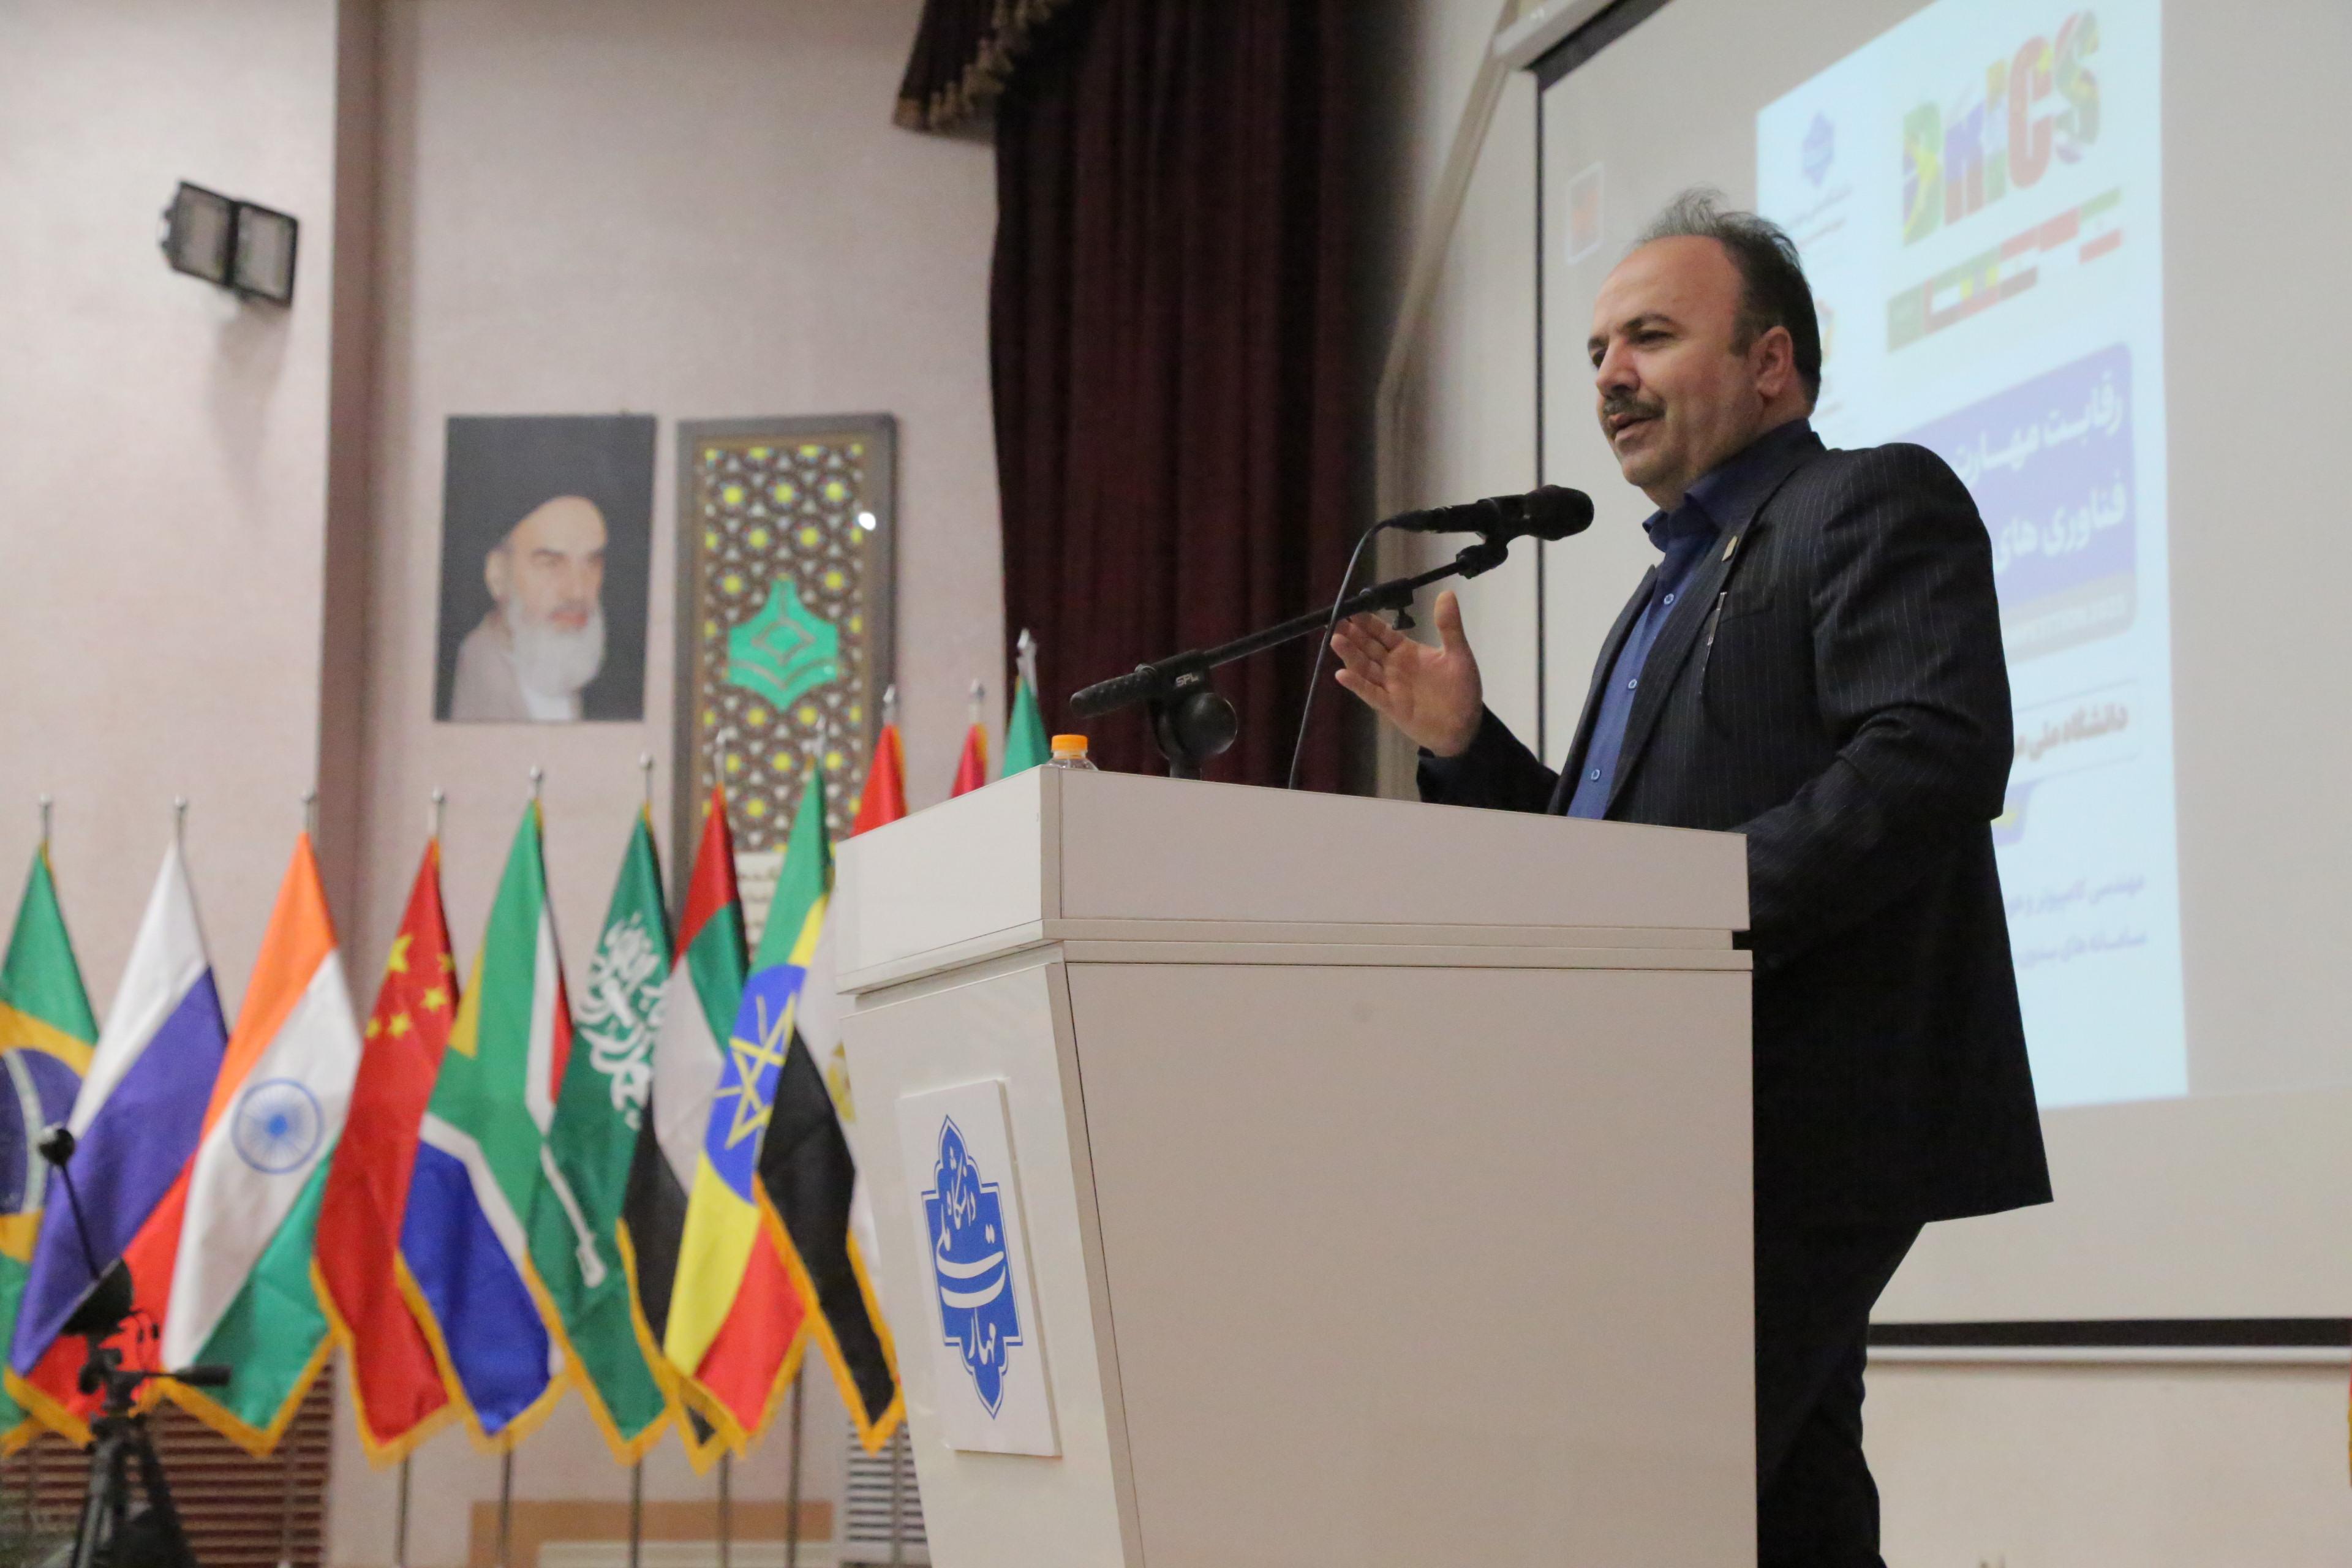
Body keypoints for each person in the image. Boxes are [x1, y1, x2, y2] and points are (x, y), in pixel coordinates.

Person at [1332, 189, 2050, 1568]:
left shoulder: (1866, 500)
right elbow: (1608, 875)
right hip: (1672, 1118)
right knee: (1782, 1510)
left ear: (1771, 363)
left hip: (1800, 1108)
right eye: (1598, 348)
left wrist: (1691, 915)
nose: (1611, 373)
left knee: (1639, 1496)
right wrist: (1471, 748)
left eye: (1651, 337)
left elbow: (1932, 752)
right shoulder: (1664, 588)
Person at [448, 493, 610, 722]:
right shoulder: (472, 678)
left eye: (592, 563)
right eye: (550, 564)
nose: (578, 592)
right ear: (498, 576)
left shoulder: (596, 681)